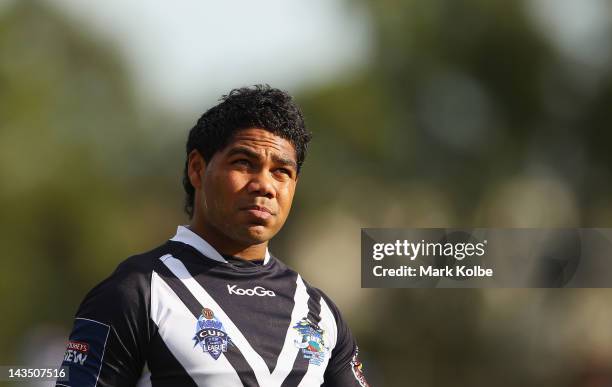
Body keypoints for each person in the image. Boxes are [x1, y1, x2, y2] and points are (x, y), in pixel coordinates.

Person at [57, 85, 370, 387]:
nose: (265, 185)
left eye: (281, 171)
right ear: (197, 169)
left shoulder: (318, 312)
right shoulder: (137, 292)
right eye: (244, 163)